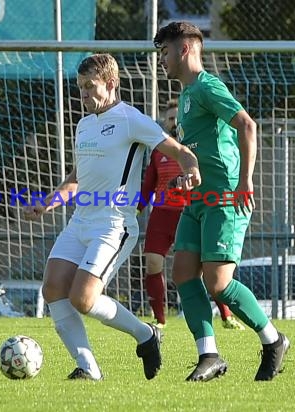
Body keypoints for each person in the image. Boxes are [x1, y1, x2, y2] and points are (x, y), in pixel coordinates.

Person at [23, 53, 201, 381]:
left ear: (111, 84)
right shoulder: (84, 125)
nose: (84, 94)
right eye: (80, 88)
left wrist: (191, 167)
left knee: (83, 298)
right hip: (80, 222)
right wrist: (49, 202)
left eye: (90, 86)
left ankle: (146, 334)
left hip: (113, 225)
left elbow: (178, 150)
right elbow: (76, 180)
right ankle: (88, 369)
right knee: (52, 288)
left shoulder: (130, 119)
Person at [153, 22, 290, 382]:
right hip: (198, 199)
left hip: (225, 197)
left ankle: (273, 340)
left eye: (164, 51)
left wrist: (245, 181)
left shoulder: (207, 86)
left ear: (184, 49)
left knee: (218, 283)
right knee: (182, 273)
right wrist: (189, 175)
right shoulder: (184, 97)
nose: (161, 59)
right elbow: (201, 151)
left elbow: (247, 125)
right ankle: (209, 354)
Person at [137, 98, 245, 331]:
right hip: (162, 213)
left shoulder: (195, 147)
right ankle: (160, 319)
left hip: (191, 210)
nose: (174, 122)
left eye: (177, 118)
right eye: (170, 118)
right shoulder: (158, 151)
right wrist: (137, 207)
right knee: (153, 263)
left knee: (208, 267)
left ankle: (226, 316)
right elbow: (148, 185)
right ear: (164, 123)